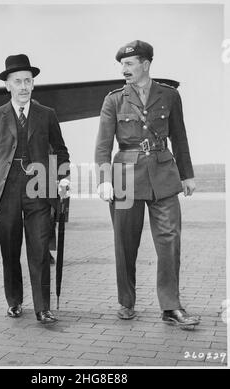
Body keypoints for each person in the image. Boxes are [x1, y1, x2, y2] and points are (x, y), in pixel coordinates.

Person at [95, 40, 200, 327]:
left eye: (129, 64)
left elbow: (179, 136)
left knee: (170, 241)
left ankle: (170, 307)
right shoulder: (114, 100)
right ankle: (126, 302)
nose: (123, 69)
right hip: (124, 178)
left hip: (164, 176)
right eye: (122, 64)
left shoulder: (169, 95)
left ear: (145, 64)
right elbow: (103, 145)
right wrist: (104, 179)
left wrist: (186, 174)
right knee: (125, 243)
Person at [0, 54, 70, 324]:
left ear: (33, 84)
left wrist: (63, 179)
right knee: (9, 249)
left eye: (28, 81)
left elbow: (62, 151)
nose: (23, 87)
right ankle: (15, 302)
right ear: (7, 85)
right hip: (6, 191)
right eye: (17, 81)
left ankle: (42, 308)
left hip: (39, 189)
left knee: (40, 250)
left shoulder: (47, 115)